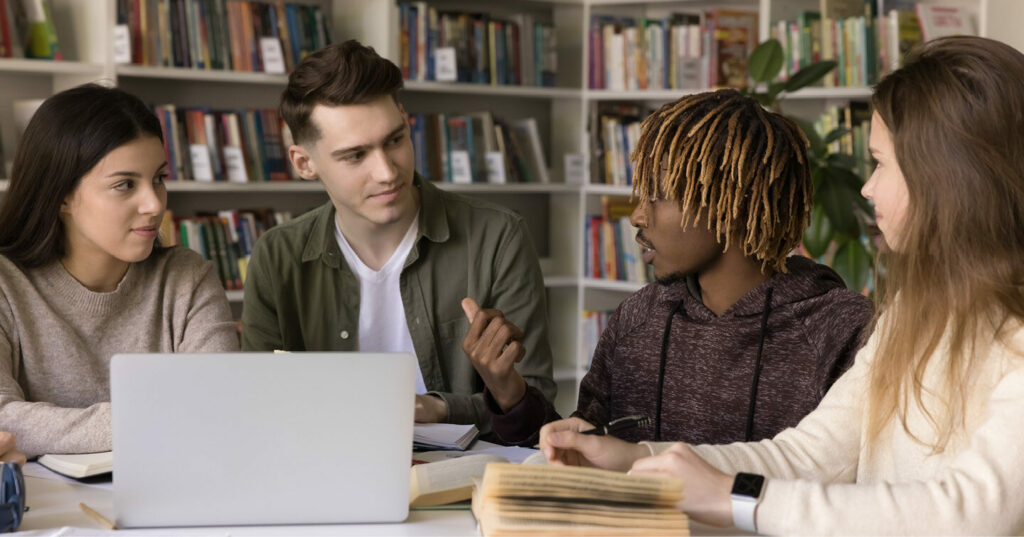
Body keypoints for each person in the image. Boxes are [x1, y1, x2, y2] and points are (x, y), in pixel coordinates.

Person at [540, 36, 1024, 535]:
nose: (866, 187)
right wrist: (637, 458)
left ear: (946, 177)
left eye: (880, 164)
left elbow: (971, 514)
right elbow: (808, 454)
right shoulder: (912, 313)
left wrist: (735, 498)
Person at [241, 40, 557, 445]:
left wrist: (438, 407)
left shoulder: (499, 236)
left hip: (463, 482)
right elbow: (258, 407)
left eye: (394, 140)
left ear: (406, 122)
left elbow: (539, 408)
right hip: (323, 473)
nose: (387, 172)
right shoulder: (276, 256)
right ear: (304, 164)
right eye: (355, 156)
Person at [548, 89, 872, 446]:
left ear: (730, 203)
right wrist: (515, 402)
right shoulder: (637, 316)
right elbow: (590, 439)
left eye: (657, 195)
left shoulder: (842, 331)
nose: (638, 216)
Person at [0, 84, 239, 459]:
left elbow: (219, 403)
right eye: (125, 185)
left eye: (159, 178)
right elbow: (3, 421)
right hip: (44, 509)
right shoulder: (5, 284)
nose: (153, 203)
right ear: (61, 194)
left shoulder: (186, 277)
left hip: (171, 497)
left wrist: (55, 430)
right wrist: (154, 419)